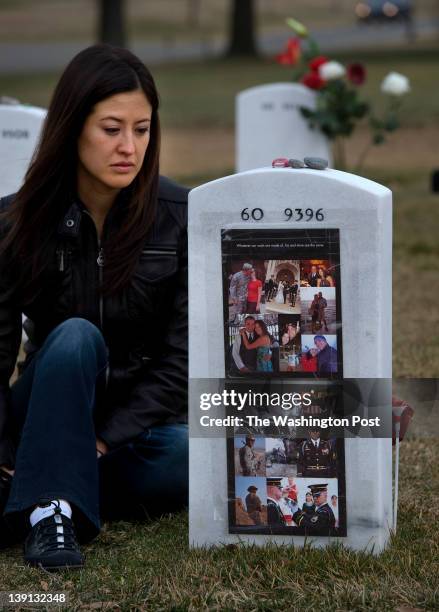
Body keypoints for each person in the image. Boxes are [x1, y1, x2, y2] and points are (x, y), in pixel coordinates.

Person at [0, 45, 189, 570]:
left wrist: (103, 440)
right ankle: (50, 507)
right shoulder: (18, 222)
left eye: (142, 129)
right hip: (45, 407)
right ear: (72, 127)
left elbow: (182, 359)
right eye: (111, 128)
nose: (130, 147)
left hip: (133, 434)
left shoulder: (180, 217)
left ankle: (38, 490)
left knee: (192, 460)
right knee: (77, 335)